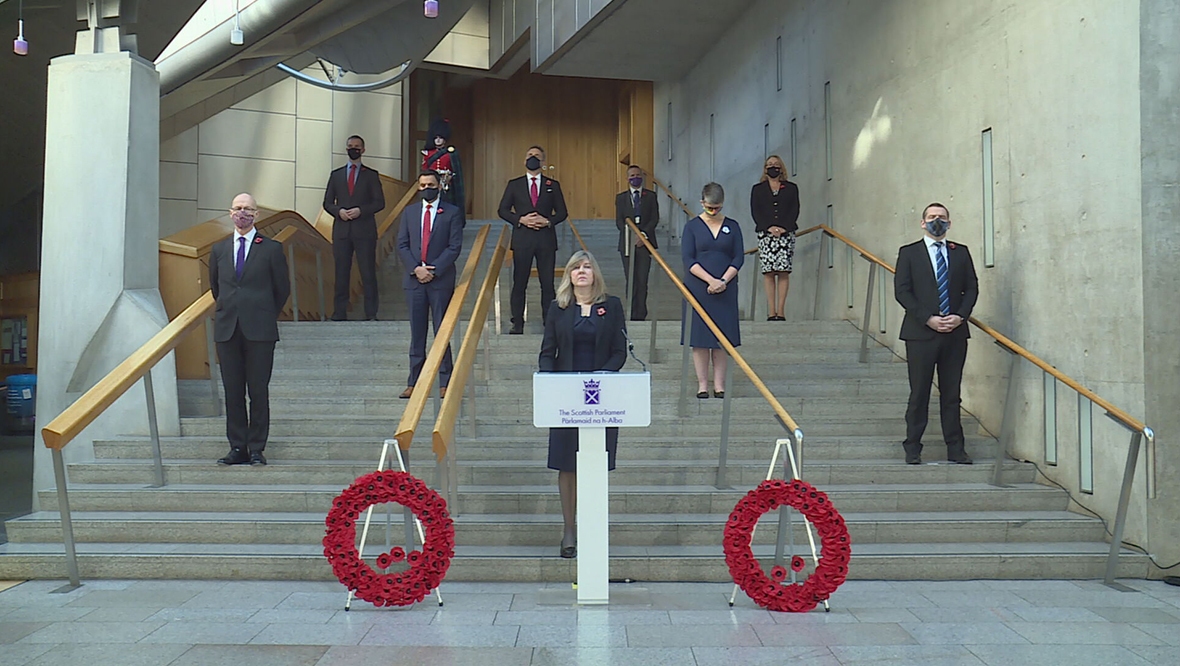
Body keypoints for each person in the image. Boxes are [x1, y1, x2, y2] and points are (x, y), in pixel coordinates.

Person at [539, 250, 627, 559]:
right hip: (566, 397)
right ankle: (569, 530)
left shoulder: (611, 306)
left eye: (588, 267)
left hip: (602, 398)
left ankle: (592, 527)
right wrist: (550, 383)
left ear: (595, 274)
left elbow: (620, 351)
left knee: (595, 463)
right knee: (567, 464)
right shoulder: (558, 308)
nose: (582, 271)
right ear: (569, 276)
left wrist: (605, 375)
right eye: (576, 267)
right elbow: (547, 351)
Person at [894, 202, 979, 465]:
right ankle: (912, 446)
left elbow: (972, 288)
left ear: (949, 223)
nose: (936, 221)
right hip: (921, 334)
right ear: (923, 223)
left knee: (951, 394)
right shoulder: (909, 253)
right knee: (919, 393)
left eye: (941, 217)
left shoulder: (961, 253)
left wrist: (960, 316)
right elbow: (902, 291)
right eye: (931, 217)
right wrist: (928, 319)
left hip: (954, 334)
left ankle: (955, 448)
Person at [210, 193, 291, 466]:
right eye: (237, 208)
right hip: (227, 329)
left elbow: (282, 289)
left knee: (258, 391)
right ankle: (237, 447)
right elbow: (216, 288)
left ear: (256, 215)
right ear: (230, 213)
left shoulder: (270, 248)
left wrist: (262, 312)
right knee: (233, 392)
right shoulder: (219, 250)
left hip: (260, 330)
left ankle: (256, 447)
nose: (242, 213)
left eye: (247, 209)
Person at [395, 171, 465, 400]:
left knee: (441, 331)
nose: (427, 188)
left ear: (439, 186)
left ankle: (445, 380)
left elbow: (454, 247)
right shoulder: (410, 212)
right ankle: (414, 382)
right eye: (423, 184)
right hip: (414, 281)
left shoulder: (452, 212)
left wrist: (433, 270)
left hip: (439, 281)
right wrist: (416, 269)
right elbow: (402, 244)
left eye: (431, 184)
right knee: (417, 333)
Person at [498, 145, 569, 334]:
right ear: (524, 160)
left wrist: (548, 221)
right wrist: (521, 219)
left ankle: (549, 321)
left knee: (547, 283)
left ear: (543, 162)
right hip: (523, 239)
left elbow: (562, 212)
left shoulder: (552, 185)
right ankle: (517, 323)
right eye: (529, 155)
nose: (533, 158)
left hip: (545, 239)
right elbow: (503, 210)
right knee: (519, 282)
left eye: (537, 156)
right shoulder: (515, 184)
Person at [682, 183, 744, 398]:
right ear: (702, 203)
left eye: (717, 208)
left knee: (721, 338)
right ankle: (702, 385)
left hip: (726, 287)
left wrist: (723, 280)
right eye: (709, 208)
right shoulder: (692, 227)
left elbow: (738, 257)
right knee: (700, 339)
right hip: (698, 286)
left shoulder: (733, 226)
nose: (713, 211)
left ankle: (719, 384)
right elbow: (688, 258)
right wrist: (710, 280)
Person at [323, 135, 386, 321]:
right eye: (350, 146)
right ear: (346, 148)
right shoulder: (336, 175)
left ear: (363, 150)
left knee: (367, 272)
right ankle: (339, 312)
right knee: (341, 272)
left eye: (357, 147)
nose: (353, 149)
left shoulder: (371, 175)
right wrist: (338, 211)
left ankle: (371, 313)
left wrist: (361, 210)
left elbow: (379, 202)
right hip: (342, 231)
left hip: (364, 230)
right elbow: (327, 203)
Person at [750, 155, 800, 321]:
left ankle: (781, 311)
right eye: (769, 164)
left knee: (784, 272)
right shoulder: (758, 189)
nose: (773, 167)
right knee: (769, 272)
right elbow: (755, 211)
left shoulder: (791, 188)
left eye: (776, 164)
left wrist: (783, 227)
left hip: (786, 234)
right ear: (765, 168)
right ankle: (771, 312)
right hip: (766, 234)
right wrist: (769, 227)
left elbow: (795, 209)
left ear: (781, 168)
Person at [614, 165, 660, 321]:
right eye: (632, 175)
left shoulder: (651, 196)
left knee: (642, 280)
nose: (635, 177)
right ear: (627, 178)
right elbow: (619, 221)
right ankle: (631, 312)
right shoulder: (621, 198)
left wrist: (643, 235)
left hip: (645, 244)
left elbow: (654, 218)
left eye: (638, 175)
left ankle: (641, 314)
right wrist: (632, 234)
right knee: (631, 279)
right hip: (627, 244)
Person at [420, 118, 465, 219]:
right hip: (432, 184)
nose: (438, 140)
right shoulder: (428, 153)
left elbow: (456, 172)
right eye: (436, 138)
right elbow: (424, 169)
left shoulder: (451, 153)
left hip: (447, 185)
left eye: (441, 137)